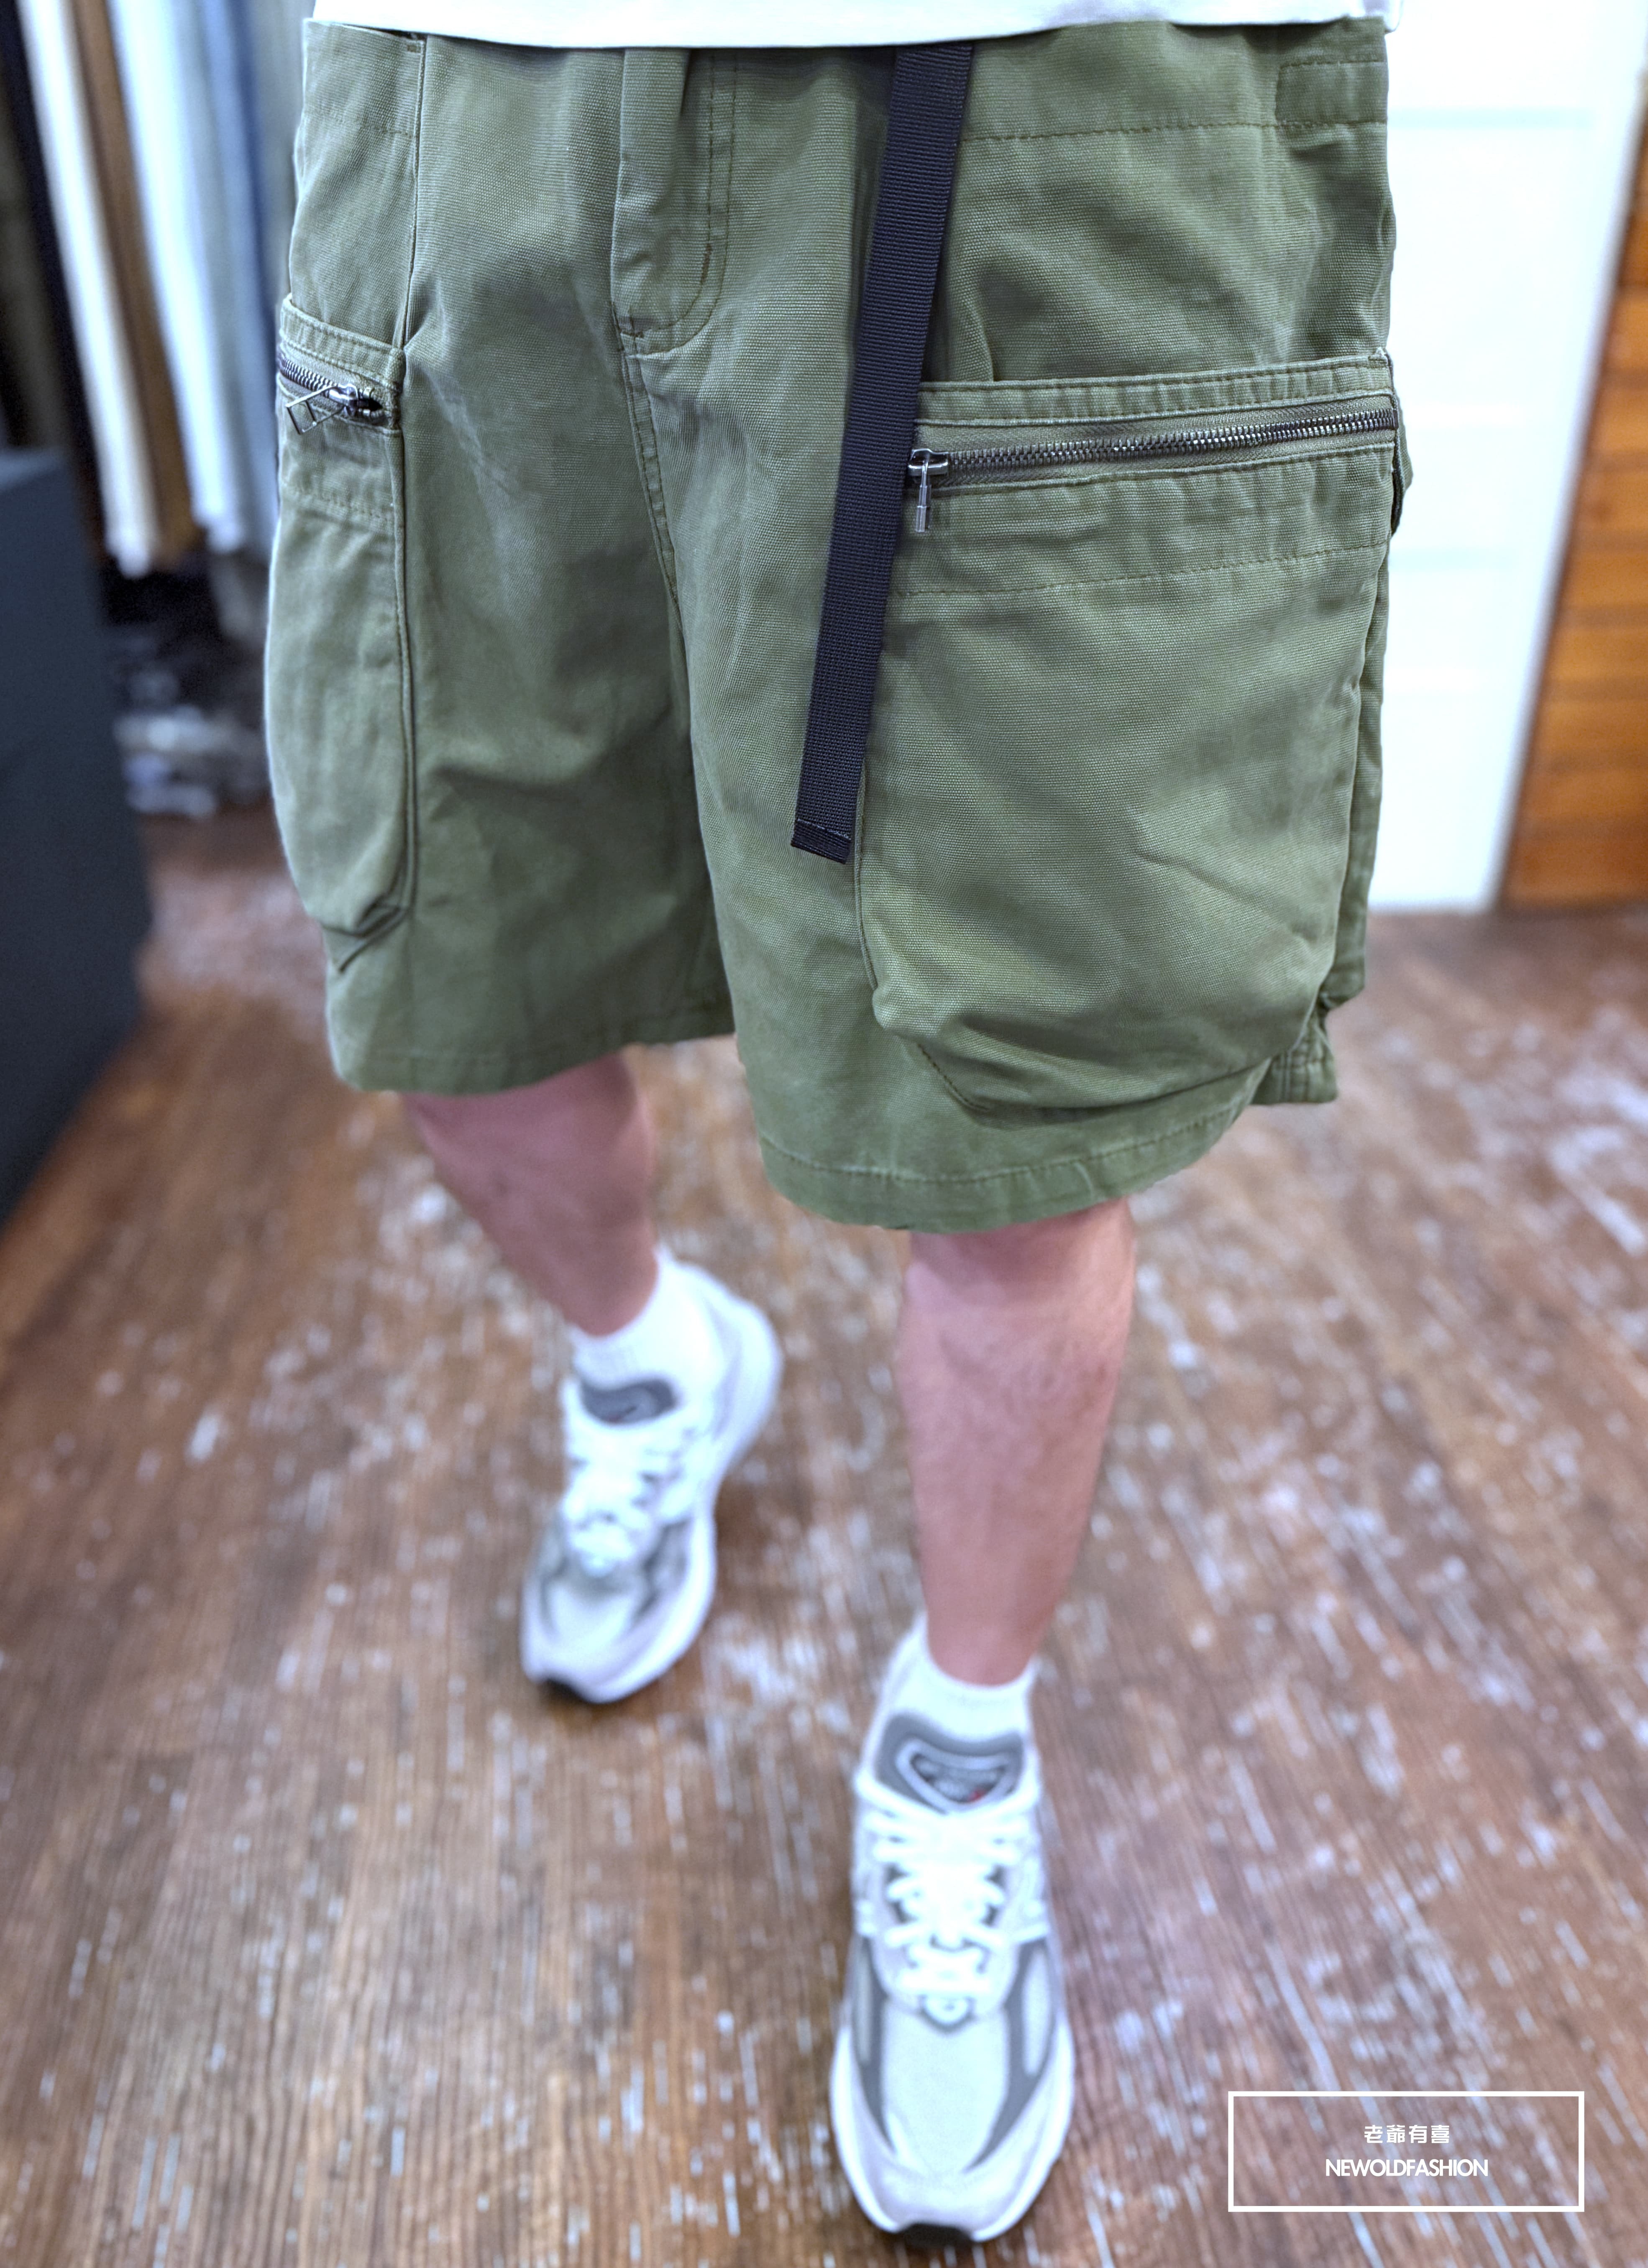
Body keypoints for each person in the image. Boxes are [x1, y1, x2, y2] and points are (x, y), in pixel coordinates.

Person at [265, 0, 1403, 2236]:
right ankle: (650, 1372)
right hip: (451, 99)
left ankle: (961, 1753)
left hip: (1031, 92)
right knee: (454, 987)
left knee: (1011, 1121)